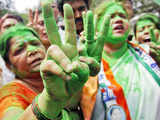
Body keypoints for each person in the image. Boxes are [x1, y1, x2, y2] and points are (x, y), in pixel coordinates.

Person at [0, 3, 106, 119]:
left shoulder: (61, 76)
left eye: (35, 43)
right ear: (8, 65)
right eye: (19, 50)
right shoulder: (11, 94)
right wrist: (49, 101)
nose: (32, 50)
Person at [92, 1, 160, 120]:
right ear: (97, 27)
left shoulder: (149, 54)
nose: (118, 19)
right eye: (111, 16)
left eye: (122, 16)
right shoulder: (89, 66)